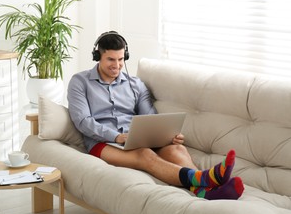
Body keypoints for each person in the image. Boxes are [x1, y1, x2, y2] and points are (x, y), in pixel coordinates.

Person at [67, 31, 244, 200]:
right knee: (144, 154)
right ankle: (207, 179)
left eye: (121, 59)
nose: (117, 65)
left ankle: (208, 190)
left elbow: (150, 118)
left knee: (177, 149)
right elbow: (83, 121)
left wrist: (167, 136)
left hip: (136, 137)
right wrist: (117, 136)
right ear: (98, 56)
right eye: (110, 60)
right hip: (102, 142)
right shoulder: (80, 82)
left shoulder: (135, 84)